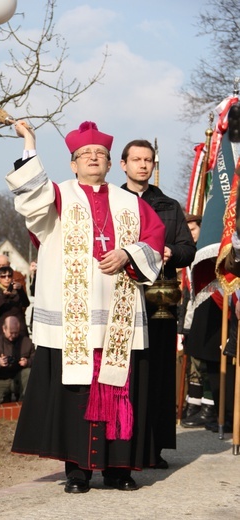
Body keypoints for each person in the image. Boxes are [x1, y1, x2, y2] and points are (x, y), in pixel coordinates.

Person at [7, 120, 165, 493]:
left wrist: (128, 253)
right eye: (85, 154)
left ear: (111, 164)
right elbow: (30, 200)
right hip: (72, 323)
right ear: (73, 163)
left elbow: (155, 240)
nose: (94, 158)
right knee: (75, 396)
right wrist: (30, 143)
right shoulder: (58, 196)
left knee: (120, 391)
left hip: (118, 319)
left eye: (101, 154)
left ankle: (119, 469)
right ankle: (77, 472)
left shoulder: (132, 202)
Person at [120, 140, 196, 468]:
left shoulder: (168, 205)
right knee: (127, 373)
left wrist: (171, 253)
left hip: (159, 301)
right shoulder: (112, 201)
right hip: (121, 298)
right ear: (122, 164)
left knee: (159, 373)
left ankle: (155, 446)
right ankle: (124, 445)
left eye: (148, 160)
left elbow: (187, 249)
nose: (142, 165)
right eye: (136, 159)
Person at [179, 215, 216, 428]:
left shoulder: (208, 254)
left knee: (205, 362)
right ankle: (194, 403)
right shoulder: (190, 256)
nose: (190, 233)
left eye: (193, 229)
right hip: (193, 313)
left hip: (210, 310)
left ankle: (209, 407)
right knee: (194, 361)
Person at [0, 315, 35, 404]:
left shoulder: (27, 342)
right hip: (0, 379)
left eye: (16, 332)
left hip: (19, 377)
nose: (14, 335)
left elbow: (36, 360)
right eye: (11, 333)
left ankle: (23, 403)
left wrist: (28, 362)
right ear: (4, 329)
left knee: (29, 373)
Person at [0, 266, 30, 337]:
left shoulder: (18, 291)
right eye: (3, 276)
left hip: (19, 328)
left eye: (9, 276)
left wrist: (21, 290)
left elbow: (26, 304)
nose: (7, 279)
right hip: (3, 329)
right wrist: (4, 296)